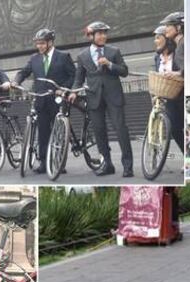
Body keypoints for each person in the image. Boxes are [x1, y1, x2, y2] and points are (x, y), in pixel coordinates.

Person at [71, 22, 132, 177]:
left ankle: (128, 166)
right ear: (91, 36)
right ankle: (107, 165)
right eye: (99, 33)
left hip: (114, 96)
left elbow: (124, 71)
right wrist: (73, 92)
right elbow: (79, 79)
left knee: (121, 130)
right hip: (93, 97)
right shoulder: (82, 56)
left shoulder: (114, 51)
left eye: (105, 33)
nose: (103, 36)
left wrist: (110, 64)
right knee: (99, 132)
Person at [15, 28, 75, 175]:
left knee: (59, 132)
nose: (39, 46)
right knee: (43, 132)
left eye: (42, 43)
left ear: (50, 42)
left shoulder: (63, 56)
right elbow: (24, 72)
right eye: (37, 44)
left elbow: (73, 75)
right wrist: (16, 81)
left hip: (58, 100)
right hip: (41, 100)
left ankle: (59, 161)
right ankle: (43, 162)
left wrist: (64, 88)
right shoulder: (34, 58)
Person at [158, 12, 185, 152]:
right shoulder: (179, 44)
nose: (166, 28)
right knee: (174, 128)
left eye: (169, 25)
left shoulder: (183, 44)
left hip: (184, 95)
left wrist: (176, 73)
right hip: (177, 95)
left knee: (179, 128)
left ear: (179, 28)